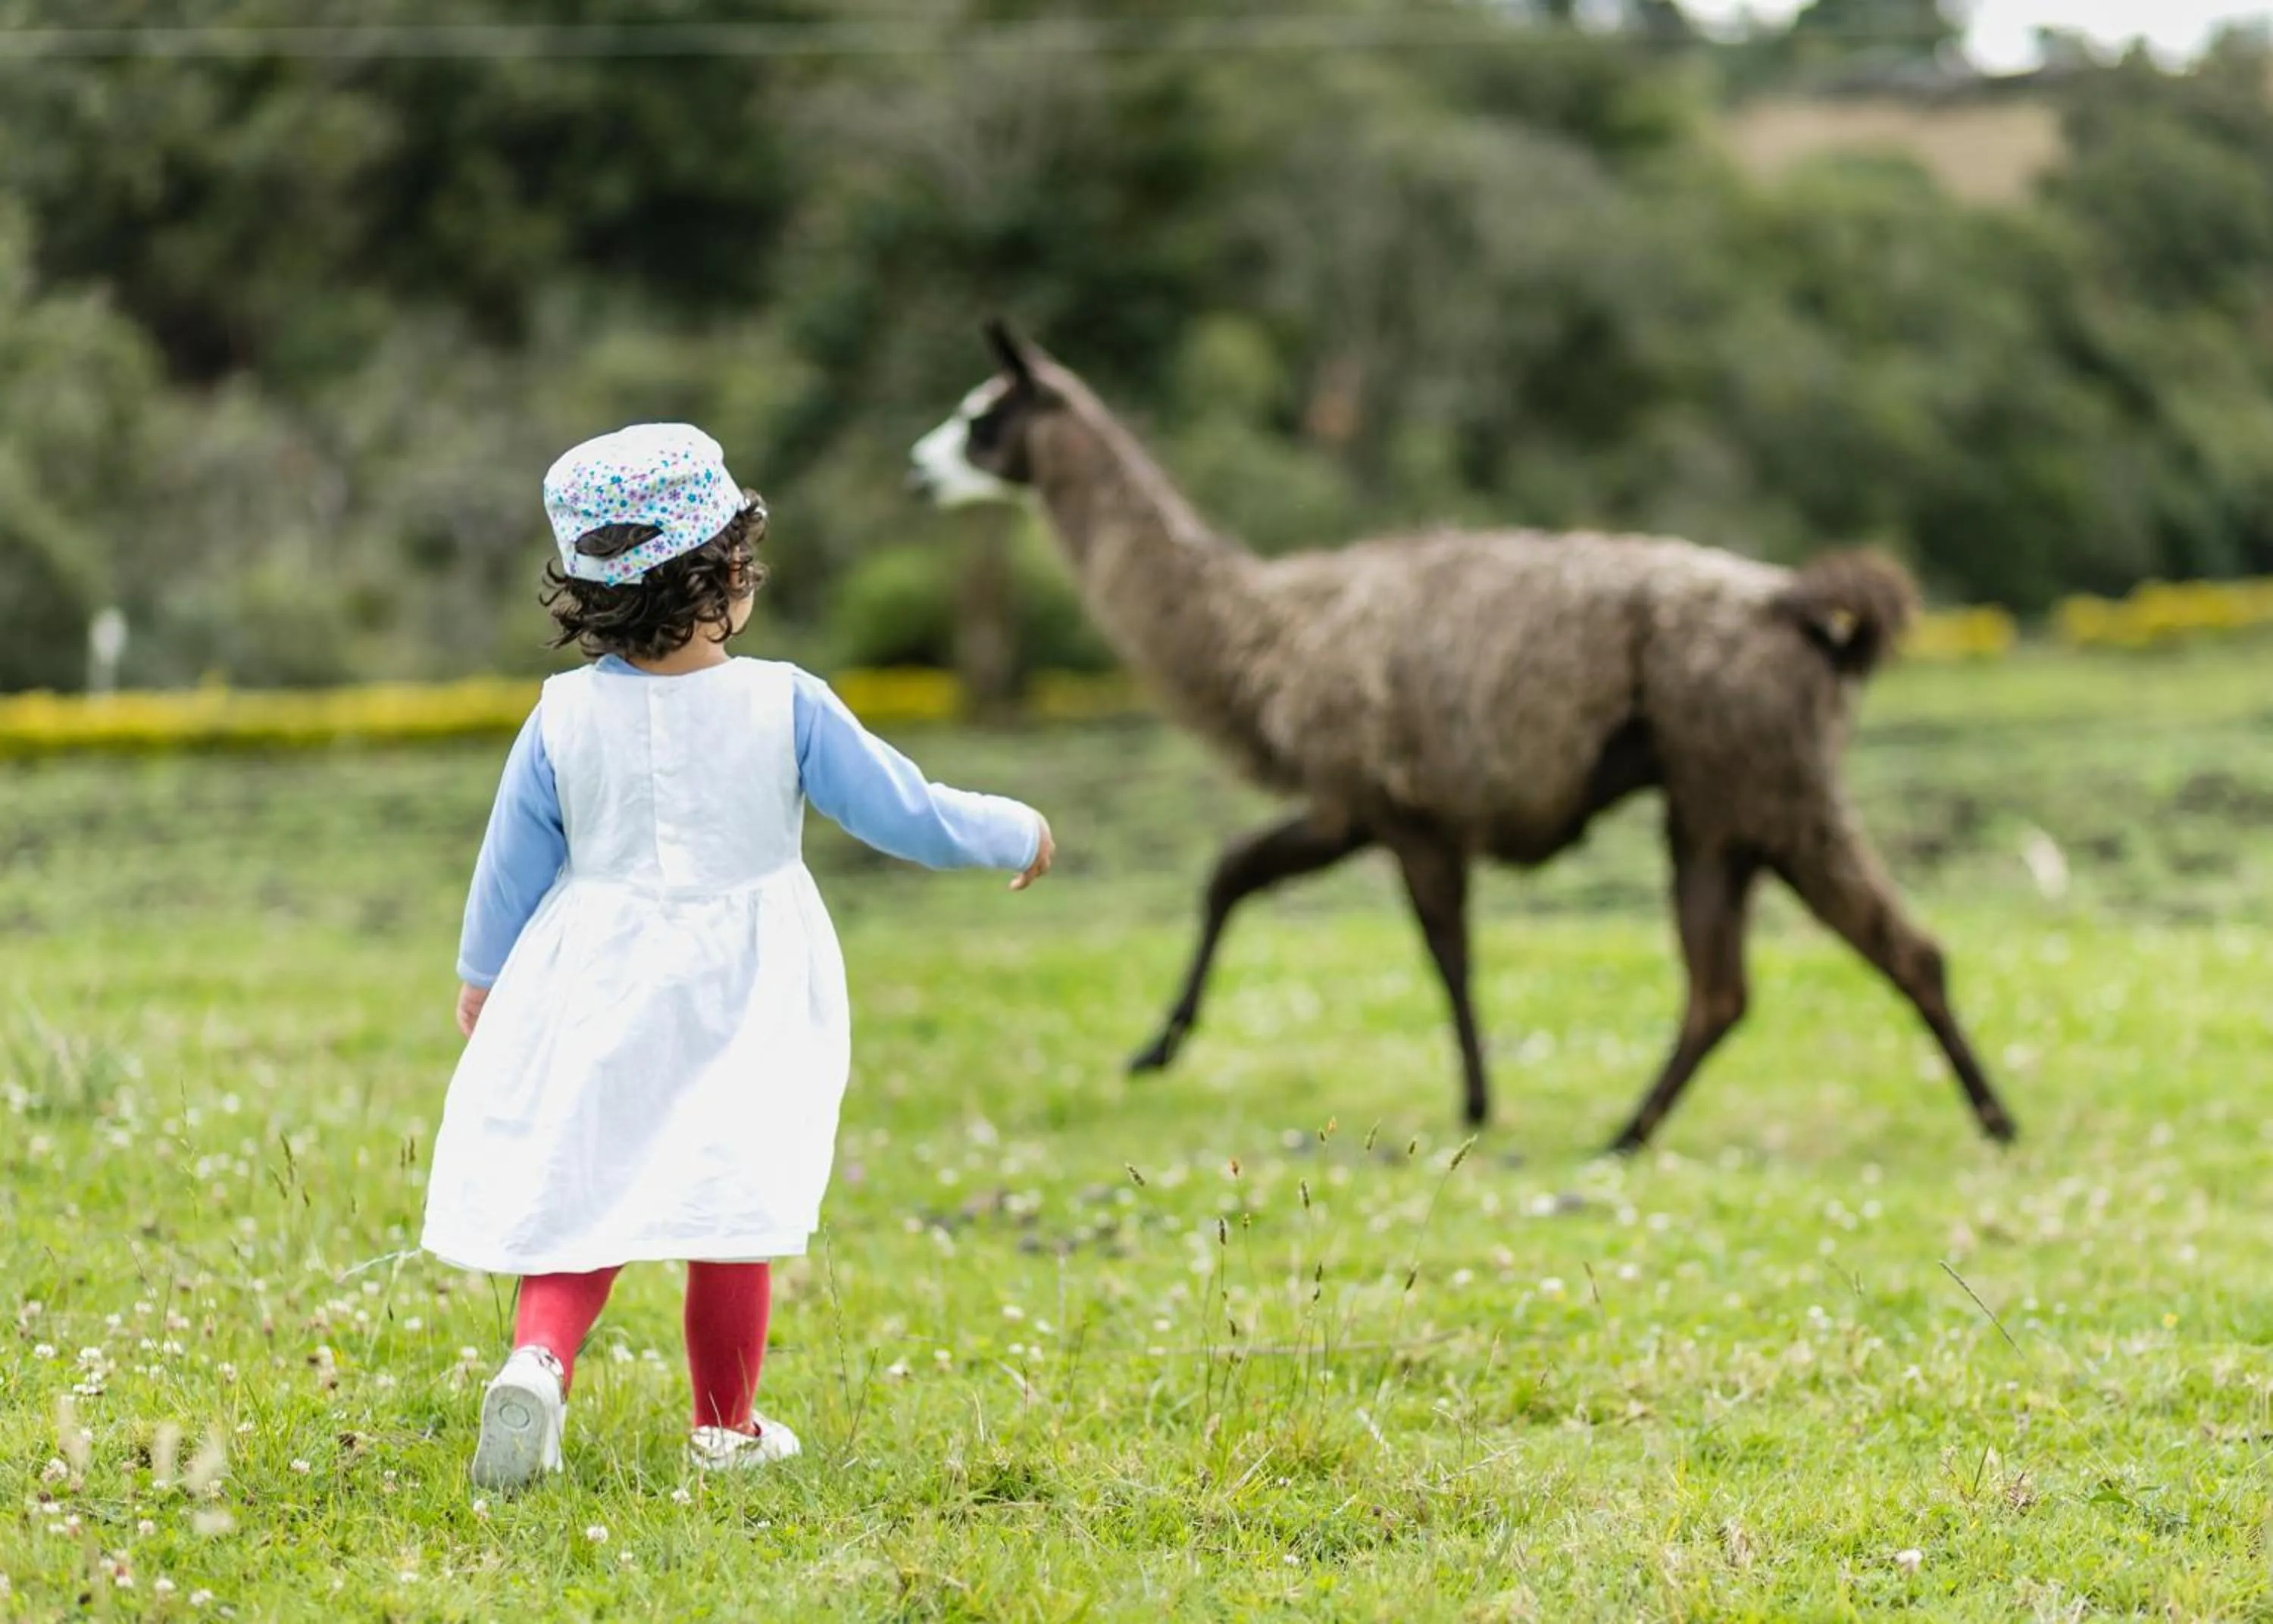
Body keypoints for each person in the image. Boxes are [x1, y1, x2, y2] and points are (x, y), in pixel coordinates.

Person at [421, 423, 1053, 1491]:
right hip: (744, 987)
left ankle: (536, 1365)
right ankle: (726, 1430)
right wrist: (1012, 828)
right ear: (723, 572)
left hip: (597, 977)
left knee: (585, 1186)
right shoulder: (786, 703)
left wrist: (483, 977)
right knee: (731, 1204)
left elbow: (509, 865)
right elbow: (905, 813)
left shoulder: (561, 716)